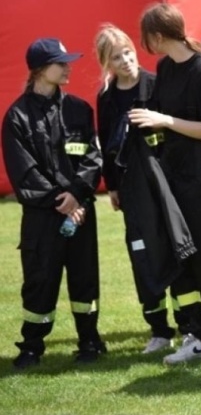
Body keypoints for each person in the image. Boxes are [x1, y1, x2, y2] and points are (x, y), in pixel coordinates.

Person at [134, 4, 201, 366]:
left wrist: (163, 119)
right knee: (183, 257)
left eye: (145, 36)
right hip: (176, 175)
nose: (144, 43)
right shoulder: (165, 67)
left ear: (158, 35)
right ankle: (198, 335)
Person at [3, 38, 104, 370]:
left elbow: (92, 157)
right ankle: (32, 347)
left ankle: (90, 340)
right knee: (40, 281)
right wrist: (62, 201)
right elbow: (24, 172)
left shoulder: (79, 109)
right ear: (40, 70)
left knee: (84, 278)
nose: (68, 66)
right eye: (61, 62)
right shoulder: (17, 117)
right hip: (44, 218)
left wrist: (77, 194)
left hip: (80, 212)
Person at [94, 25, 175, 355]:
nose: (126, 60)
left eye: (128, 51)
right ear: (107, 63)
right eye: (117, 56)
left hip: (165, 183)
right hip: (130, 188)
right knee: (142, 253)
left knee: (174, 248)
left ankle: (191, 324)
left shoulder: (156, 84)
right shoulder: (107, 97)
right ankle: (158, 329)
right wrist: (112, 186)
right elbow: (107, 144)